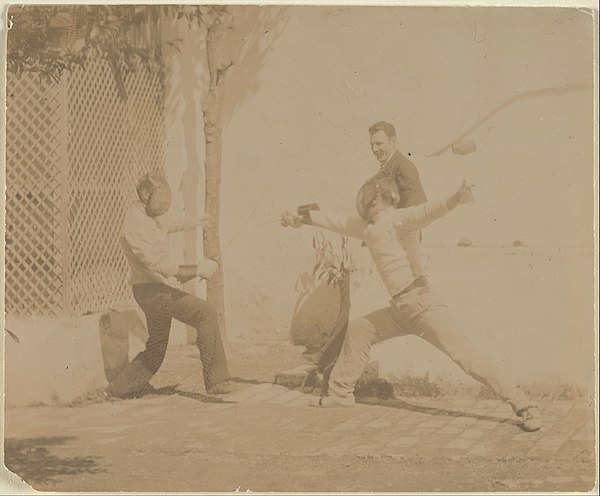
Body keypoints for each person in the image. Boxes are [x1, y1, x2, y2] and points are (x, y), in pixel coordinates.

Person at [281, 177, 542, 432]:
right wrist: (299, 216)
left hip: (423, 305)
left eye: (373, 201)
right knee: (360, 329)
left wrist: (455, 199)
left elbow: (427, 211)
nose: (367, 205)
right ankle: (340, 394)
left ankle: (524, 405)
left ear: (386, 201)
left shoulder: (398, 220)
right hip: (399, 310)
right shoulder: (366, 227)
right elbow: (335, 221)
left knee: (466, 356)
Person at [106, 172, 236, 398]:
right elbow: (156, 262)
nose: (164, 207)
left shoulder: (149, 215)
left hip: (155, 289)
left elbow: (170, 221)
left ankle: (118, 389)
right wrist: (196, 270)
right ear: (145, 193)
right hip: (150, 291)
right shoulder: (134, 221)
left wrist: (196, 221)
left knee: (156, 348)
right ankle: (217, 381)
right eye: (161, 201)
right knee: (204, 312)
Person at [368, 121, 427, 208]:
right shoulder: (385, 169)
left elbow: (417, 206)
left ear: (393, 141)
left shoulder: (403, 166)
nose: (374, 149)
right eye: (372, 145)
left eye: (379, 144)